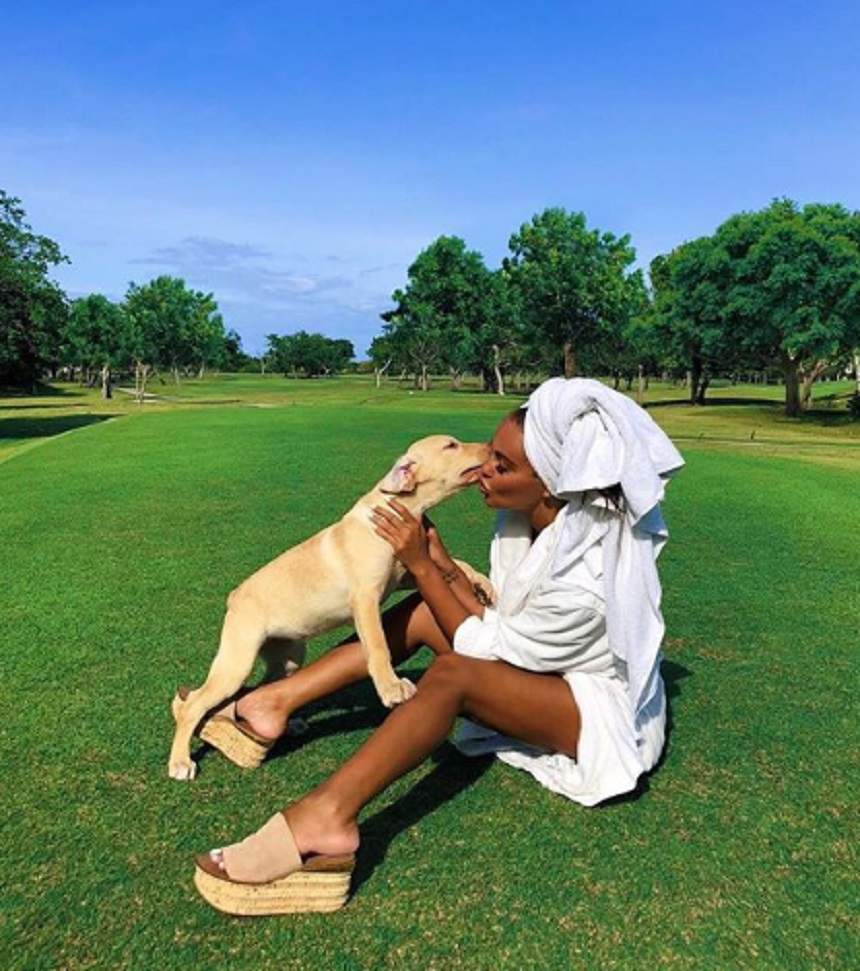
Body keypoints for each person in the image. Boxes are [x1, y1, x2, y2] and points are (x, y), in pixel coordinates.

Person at [192, 377, 684, 914]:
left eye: (502, 466)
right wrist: (441, 568)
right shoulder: (531, 518)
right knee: (427, 609)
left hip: (589, 711)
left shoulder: (584, 579)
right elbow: (499, 623)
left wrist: (425, 565)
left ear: (552, 484)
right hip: (541, 665)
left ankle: (326, 820)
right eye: (491, 455)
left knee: (451, 677)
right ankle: (270, 703)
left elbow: (503, 653)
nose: (484, 468)